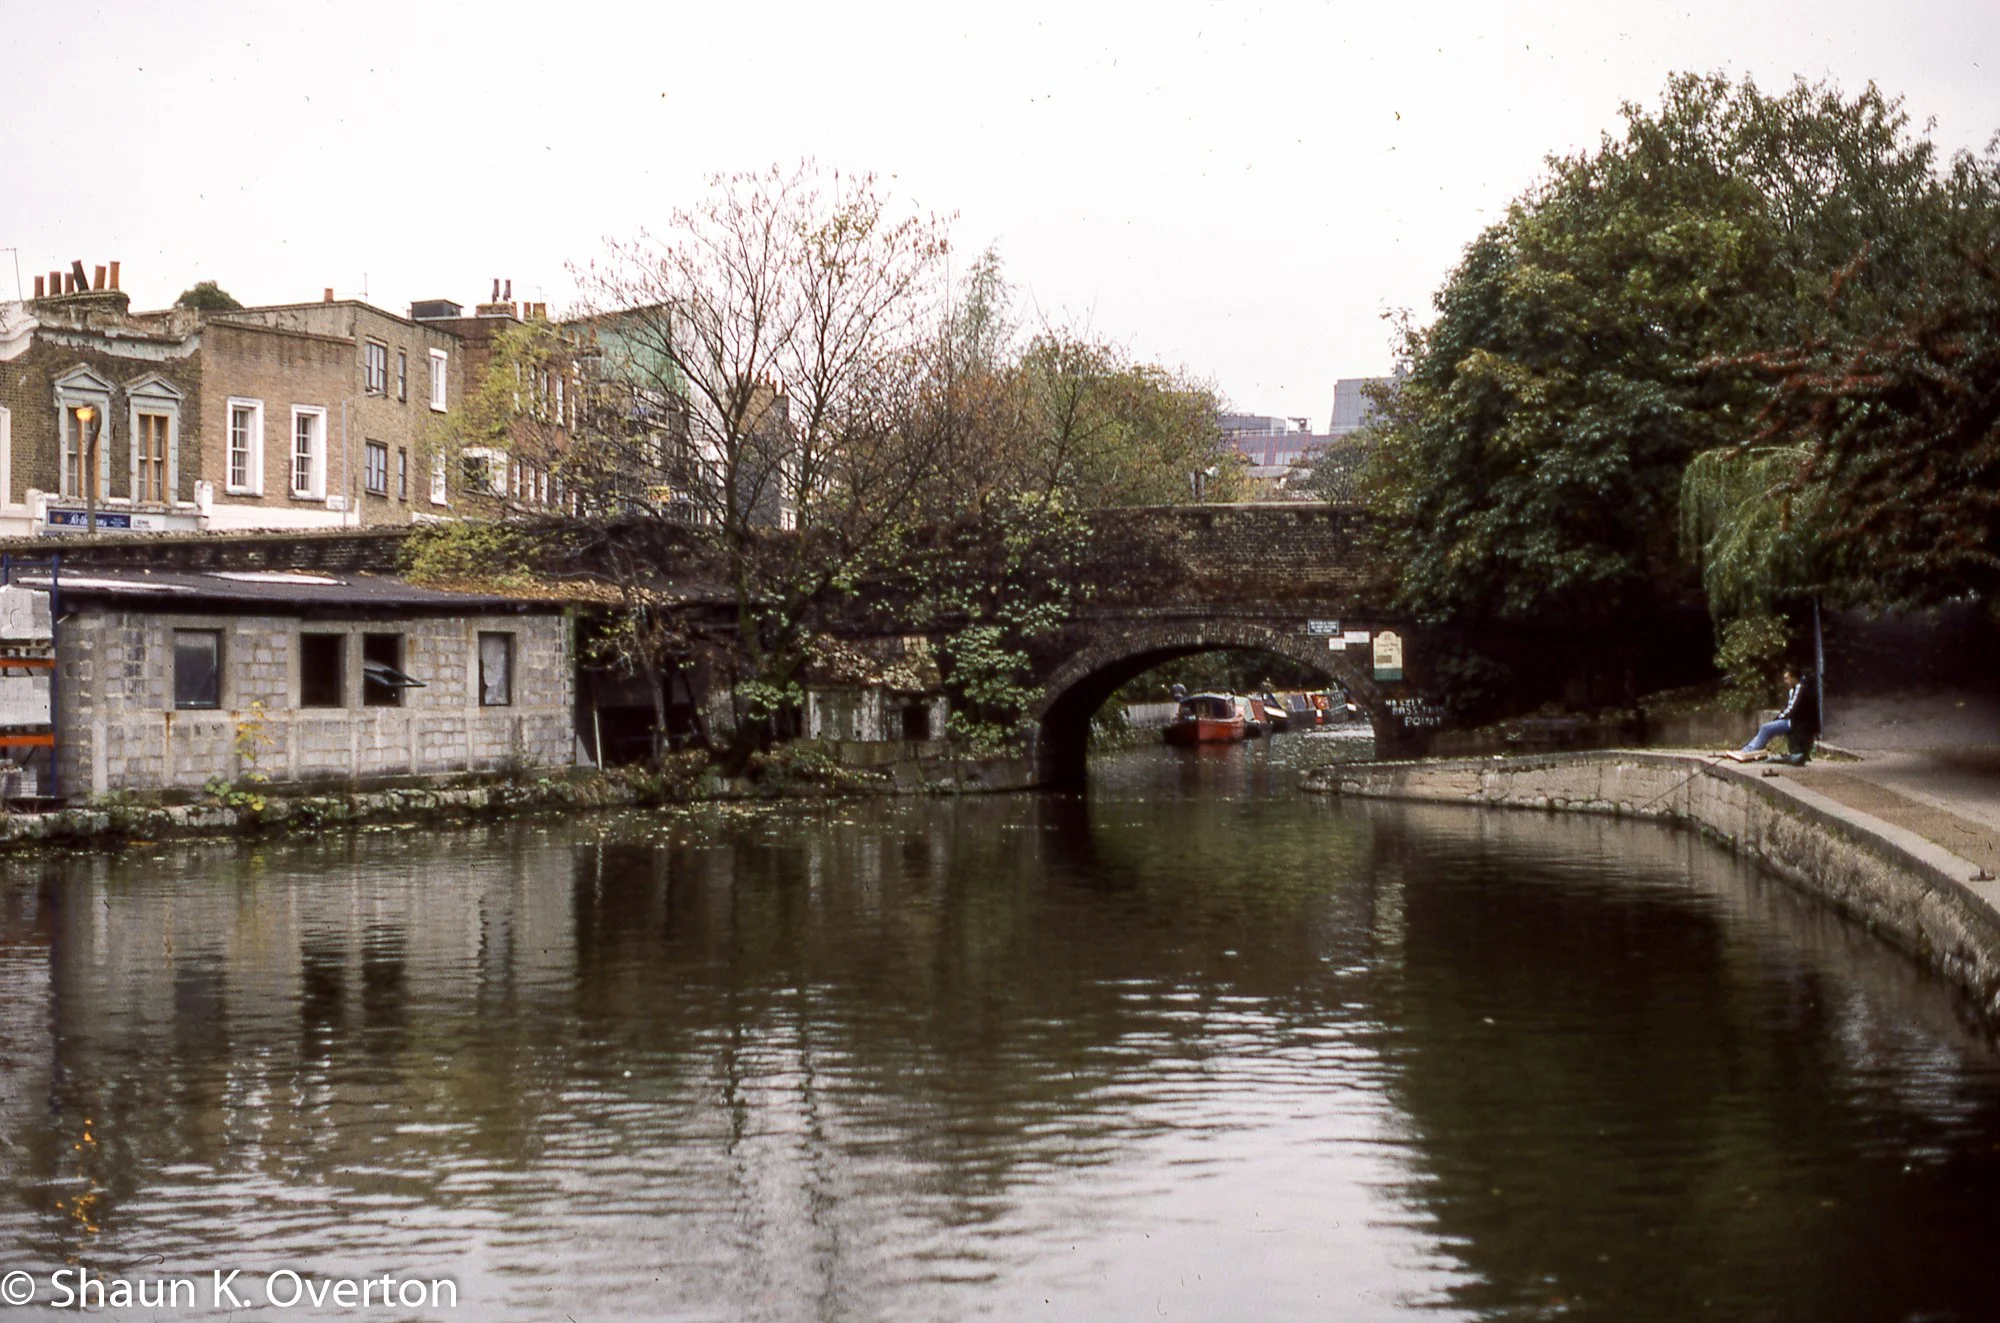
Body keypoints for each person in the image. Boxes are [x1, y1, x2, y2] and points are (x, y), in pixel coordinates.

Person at [1726, 667, 1818, 762]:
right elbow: (1787, 707)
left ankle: (1749, 751)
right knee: (1766, 728)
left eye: (1787, 678)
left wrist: (1779, 718)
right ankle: (1749, 748)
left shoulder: (1800, 688)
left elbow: (1793, 708)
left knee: (1766, 728)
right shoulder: (1793, 690)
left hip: (1797, 722)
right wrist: (1778, 718)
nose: (1785, 681)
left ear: (1794, 678)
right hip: (1792, 720)